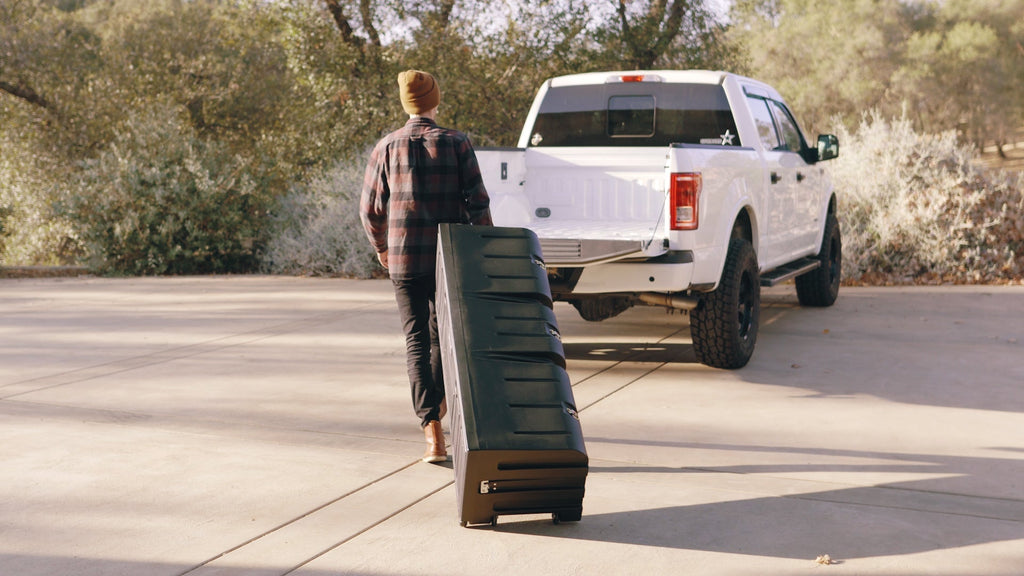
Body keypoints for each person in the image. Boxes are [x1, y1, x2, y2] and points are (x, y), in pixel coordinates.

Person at [359, 70, 493, 463]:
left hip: (403, 257)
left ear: (405, 104)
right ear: (435, 101)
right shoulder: (457, 143)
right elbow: (479, 204)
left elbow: (370, 210)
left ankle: (432, 433)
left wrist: (382, 247)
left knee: (415, 341)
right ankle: (436, 412)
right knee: (441, 340)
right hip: (447, 257)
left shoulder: (386, 146)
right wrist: (481, 246)